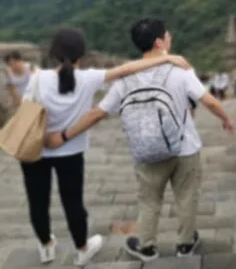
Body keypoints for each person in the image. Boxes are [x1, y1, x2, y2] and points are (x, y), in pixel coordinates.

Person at [46, 18, 235, 262]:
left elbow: (97, 114)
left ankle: (146, 247)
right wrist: (225, 119)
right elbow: (208, 101)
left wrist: (64, 136)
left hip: (147, 152)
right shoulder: (180, 70)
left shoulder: (126, 78)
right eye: (167, 35)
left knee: (149, 201)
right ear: (159, 43)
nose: (170, 37)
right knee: (186, 197)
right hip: (185, 147)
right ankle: (185, 244)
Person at [20, 27, 190, 266]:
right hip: (70, 152)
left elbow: (26, 111)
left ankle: (46, 247)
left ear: (54, 53)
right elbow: (128, 68)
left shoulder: (38, 79)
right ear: (81, 54)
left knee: (37, 202)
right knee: (73, 202)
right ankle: (82, 249)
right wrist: (167, 58)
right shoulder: (88, 78)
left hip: (35, 150)